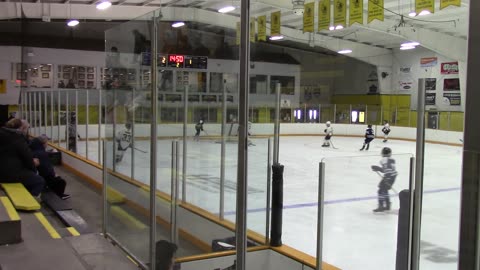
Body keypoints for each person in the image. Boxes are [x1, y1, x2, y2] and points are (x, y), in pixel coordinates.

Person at [0, 118, 45, 197]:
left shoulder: (2, 133)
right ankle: (30, 201)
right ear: (21, 128)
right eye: (27, 129)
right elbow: (28, 159)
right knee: (39, 181)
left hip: (3, 170)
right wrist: (34, 167)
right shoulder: (18, 139)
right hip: (7, 174)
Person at [29, 135, 70, 200]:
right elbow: (46, 169)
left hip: (35, 174)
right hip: (43, 177)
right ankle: (59, 195)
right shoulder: (42, 154)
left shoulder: (33, 150)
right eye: (47, 142)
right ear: (43, 143)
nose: (47, 144)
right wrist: (54, 174)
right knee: (61, 181)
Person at [371, 147, 397, 212]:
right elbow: (388, 169)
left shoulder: (383, 160)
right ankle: (387, 205)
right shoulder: (392, 159)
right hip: (393, 176)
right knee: (384, 190)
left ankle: (381, 206)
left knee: (380, 191)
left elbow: (387, 169)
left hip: (388, 176)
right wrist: (378, 168)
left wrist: (387, 178)